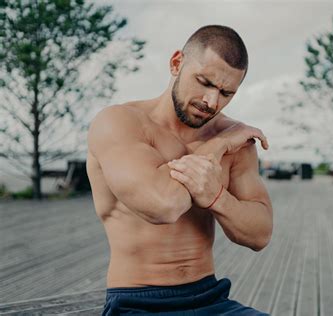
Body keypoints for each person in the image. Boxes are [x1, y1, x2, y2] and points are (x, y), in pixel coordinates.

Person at [86, 25, 273, 315]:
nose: (212, 102)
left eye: (226, 93)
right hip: (138, 303)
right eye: (205, 82)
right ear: (176, 63)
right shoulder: (120, 123)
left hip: (211, 299)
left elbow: (260, 234)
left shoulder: (237, 138)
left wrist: (216, 198)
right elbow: (163, 205)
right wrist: (217, 146)